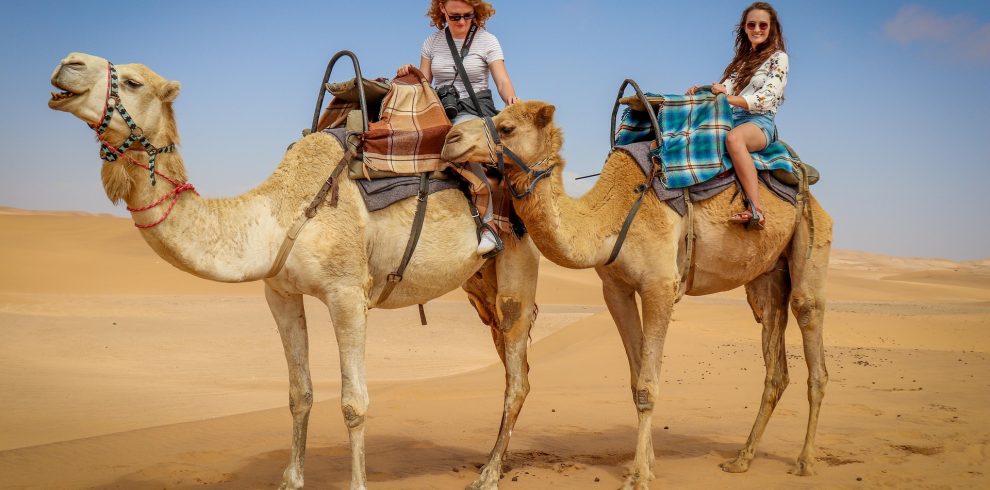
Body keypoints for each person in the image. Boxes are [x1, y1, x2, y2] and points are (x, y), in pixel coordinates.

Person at [398, 0, 519, 256]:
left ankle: (487, 226)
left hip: (474, 112)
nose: (462, 22)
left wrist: (511, 100)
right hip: (441, 109)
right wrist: (409, 73)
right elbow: (424, 83)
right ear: (442, 10)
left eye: (468, 16)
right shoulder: (431, 42)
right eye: (455, 17)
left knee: (459, 143)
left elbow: (502, 79)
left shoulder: (488, 41)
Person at [687, 1, 788, 230]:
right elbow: (725, 89)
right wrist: (702, 91)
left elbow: (767, 98)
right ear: (744, 27)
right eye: (752, 24)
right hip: (731, 118)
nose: (757, 29)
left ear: (771, 28)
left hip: (759, 122)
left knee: (734, 139)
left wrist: (726, 98)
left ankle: (757, 210)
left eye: (763, 25)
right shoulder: (740, 62)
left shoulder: (778, 58)